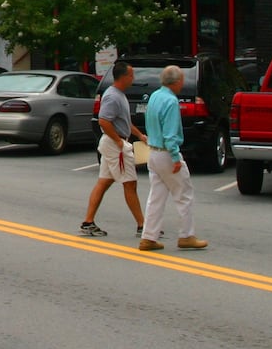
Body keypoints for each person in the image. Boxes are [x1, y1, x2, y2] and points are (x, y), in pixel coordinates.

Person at [139, 64, 208, 252]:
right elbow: (170, 134)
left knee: (156, 197)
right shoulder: (170, 102)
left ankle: (148, 237)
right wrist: (176, 157)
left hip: (153, 150)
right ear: (177, 82)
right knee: (184, 194)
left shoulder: (154, 96)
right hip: (166, 153)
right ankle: (186, 235)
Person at [80, 61, 148, 237]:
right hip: (114, 145)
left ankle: (88, 222)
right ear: (123, 77)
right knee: (130, 183)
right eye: (131, 75)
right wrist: (118, 141)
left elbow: (124, 122)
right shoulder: (112, 96)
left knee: (104, 182)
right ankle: (143, 226)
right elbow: (103, 120)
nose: (133, 78)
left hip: (113, 143)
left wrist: (139, 135)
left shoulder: (119, 95)